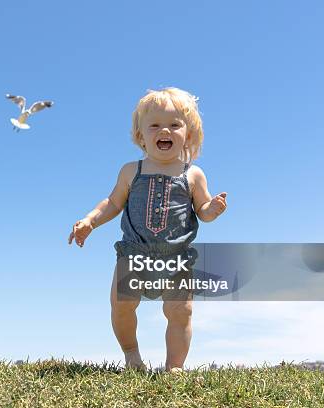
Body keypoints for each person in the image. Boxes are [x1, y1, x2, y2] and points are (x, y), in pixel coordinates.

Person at [68, 87, 228, 372]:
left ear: (188, 135)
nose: (164, 130)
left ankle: (174, 366)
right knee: (121, 305)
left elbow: (202, 211)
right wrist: (90, 220)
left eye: (174, 125)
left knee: (180, 311)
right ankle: (131, 354)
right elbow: (113, 202)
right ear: (141, 136)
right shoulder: (132, 170)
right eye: (154, 125)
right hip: (134, 252)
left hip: (176, 255)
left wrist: (211, 209)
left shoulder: (193, 174)